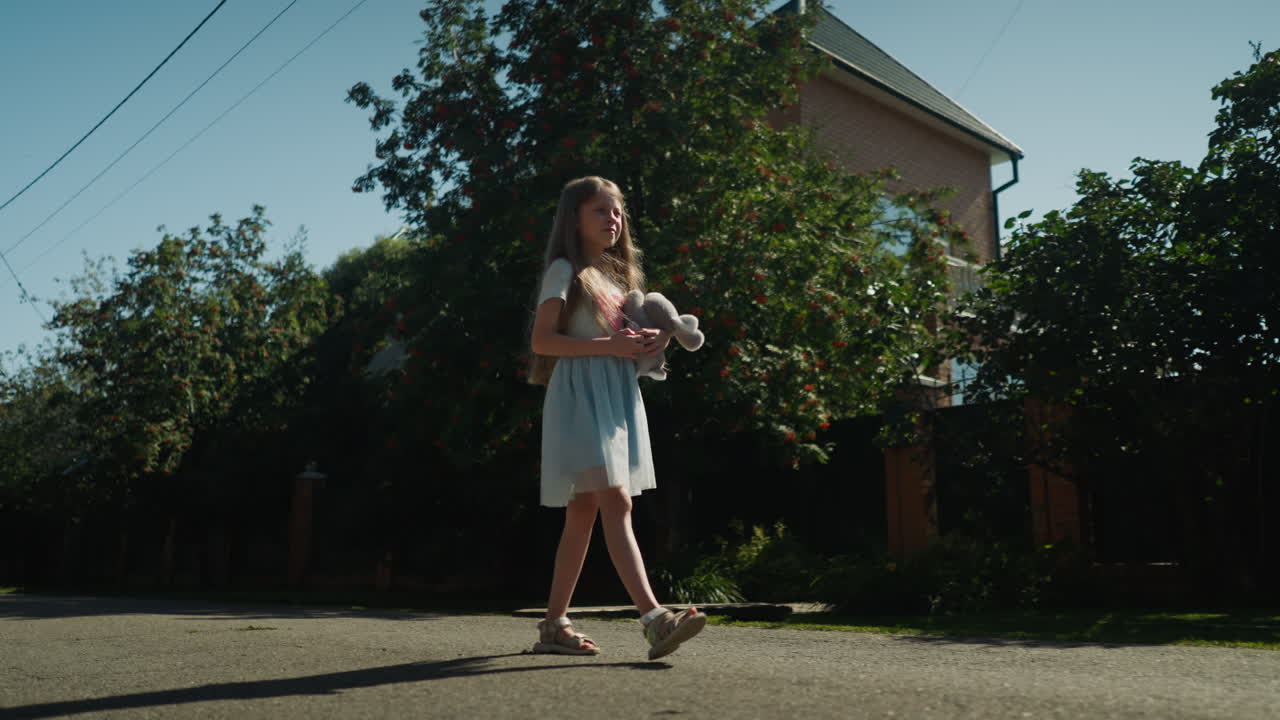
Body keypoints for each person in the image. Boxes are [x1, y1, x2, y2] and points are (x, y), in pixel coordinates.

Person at [526, 176, 706, 660]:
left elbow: (629, 341)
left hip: (614, 396)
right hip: (580, 396)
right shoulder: (564, 270)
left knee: (583, 512)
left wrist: (655, 339)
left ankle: (554, 626)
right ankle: (654, 618)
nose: (614, 219)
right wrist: (610, 345)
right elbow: (542, 341)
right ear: (574, 219)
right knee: (616, 500)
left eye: (618, 211)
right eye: (601, 210)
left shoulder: (618, 279)